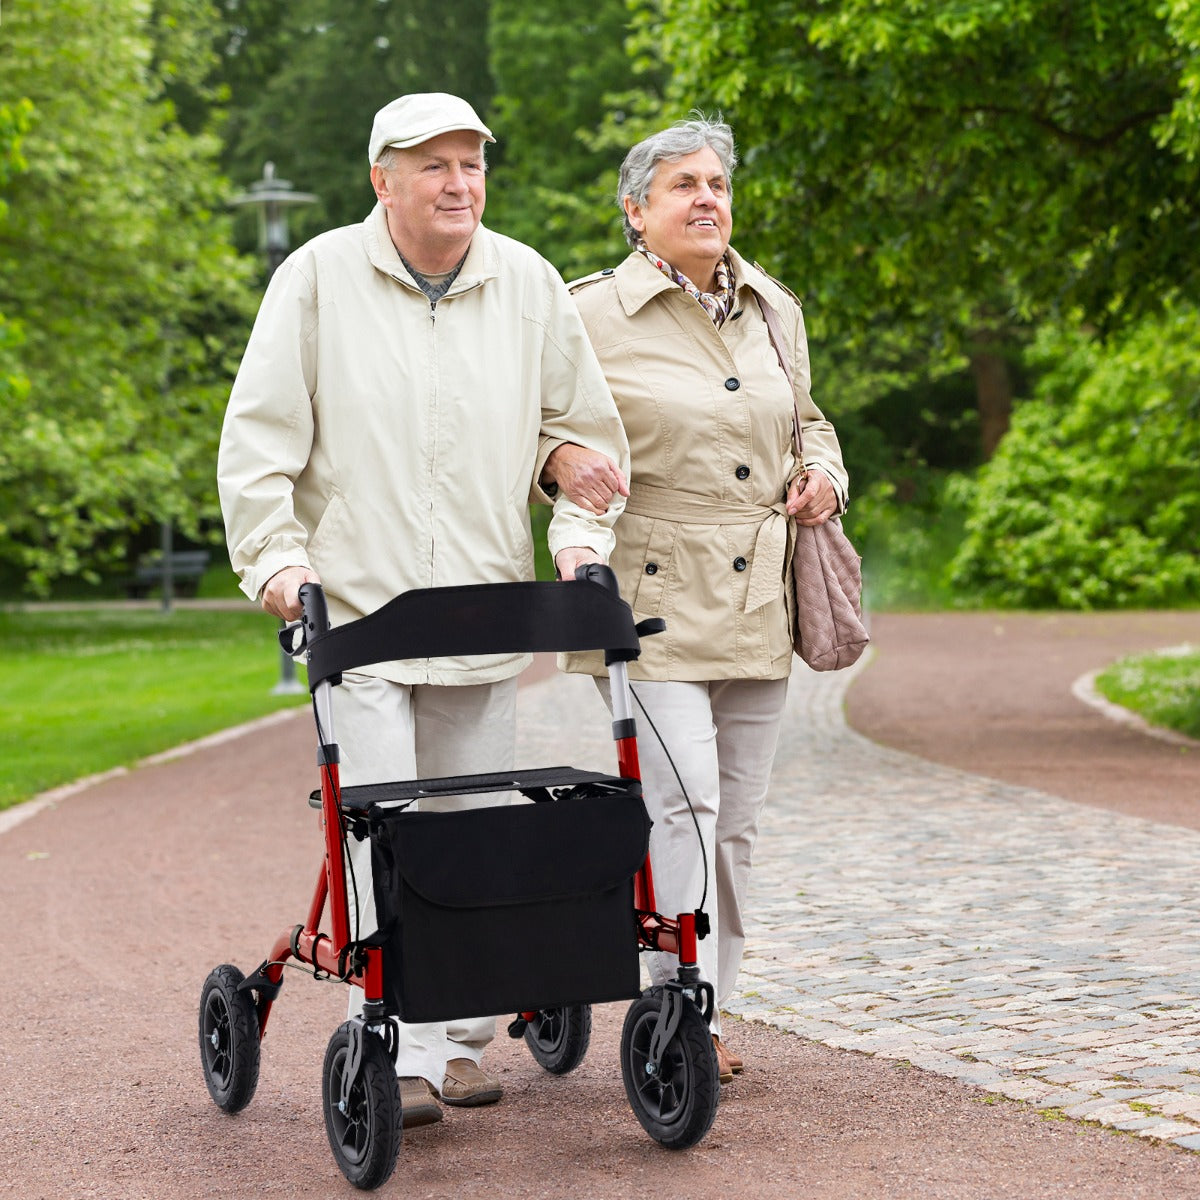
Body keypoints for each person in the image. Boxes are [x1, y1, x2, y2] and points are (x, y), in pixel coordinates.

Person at [217, 92, 629, 1129]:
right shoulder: (314, 281)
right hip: (358, 613)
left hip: (483, 615)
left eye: (472, 164)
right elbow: (259, 445)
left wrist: (568, 486)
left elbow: (573, 429)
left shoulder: (528, 282)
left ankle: (454, 1045)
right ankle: (391, 1042)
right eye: (434, 165)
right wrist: (276, 564)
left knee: (474, 833)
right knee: (381, 827)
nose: (459, 184)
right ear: (382, 181)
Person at [544, 117, 848, 1084]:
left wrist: (827, 476)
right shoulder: (582, 313)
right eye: (682, 185)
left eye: (717, 182)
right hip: (649, 602)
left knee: (739, 821)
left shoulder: (773, 307)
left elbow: (808, 421)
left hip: (761, 598)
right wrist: (557, 462)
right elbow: (538, 434)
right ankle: (679, 1011)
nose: (707, 198)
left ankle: (708, 1002)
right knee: (684, 804)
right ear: (636, 212)